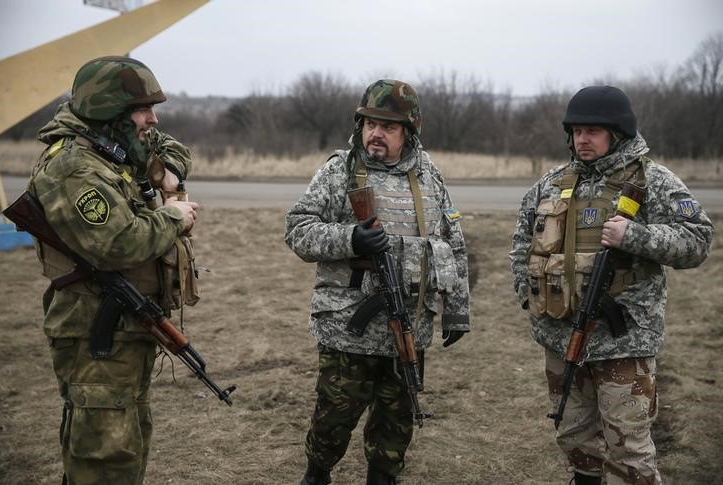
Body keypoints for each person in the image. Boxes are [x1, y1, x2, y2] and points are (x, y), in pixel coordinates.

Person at [509, 85, 714, 485]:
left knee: (628, 450)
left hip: (624, 341)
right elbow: (522, 244)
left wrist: (635, 236)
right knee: (574, 440)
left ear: (617, 133)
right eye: (577, 131)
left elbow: (698, 241)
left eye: (593, 131)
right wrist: (529, 296)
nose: (582, 139)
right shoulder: (552, 183)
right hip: (561, 335)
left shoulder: (652, 180)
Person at [285, 79, 471, 485]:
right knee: (332, 421)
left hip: (409, 328)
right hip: (347, 329)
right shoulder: (340, 171)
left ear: (409, 132)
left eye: (387, 126)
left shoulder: (429, 179)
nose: (375, 133)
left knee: (394, 429)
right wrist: (350, 238)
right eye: (369, 123)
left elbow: (453, 245)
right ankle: (316, 474)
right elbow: (297, 230)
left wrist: (458, 313)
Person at [27, 56, 199, 484]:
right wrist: (173, 217)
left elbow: (170, 147)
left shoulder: (112, 143)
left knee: (125, 447)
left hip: (124, 328)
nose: (152, 119)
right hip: (95, 335)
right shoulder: (75, 169)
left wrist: (170, 173)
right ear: (110, 110)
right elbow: (118, 243)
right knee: (103, 458)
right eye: (143, 110)